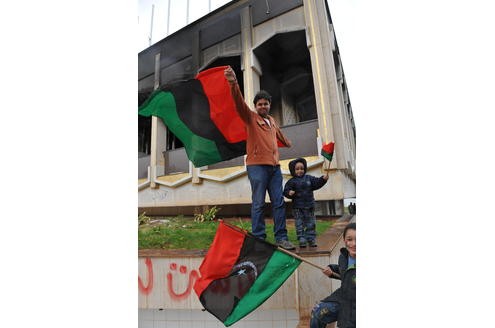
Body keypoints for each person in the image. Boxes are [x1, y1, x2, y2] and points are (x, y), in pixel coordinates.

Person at [224, 66, 295, 250]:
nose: (263, 106)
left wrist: (287, 142)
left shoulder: (272, 121)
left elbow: (278, 134)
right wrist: (233, 83)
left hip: (274, 168)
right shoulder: (250, 118)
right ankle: (258, 239)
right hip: (257, 167)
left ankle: (281, 238)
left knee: (278, 202)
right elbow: (239, 102)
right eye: (260, 104)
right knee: (258, 203)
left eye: (266, 103)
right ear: (256, 106)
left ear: (269, 105)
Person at [310, 222, 356, 328]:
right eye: (349, 239)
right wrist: (331, 270)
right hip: (342, 297)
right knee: (317, 312)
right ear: (344, 240)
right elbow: (344, 272)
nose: (353, 244)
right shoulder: (344, 256)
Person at [283, 157, 329, 247]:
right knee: (299, 224)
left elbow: (317, 182)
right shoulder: (291, 182)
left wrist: (323, 179)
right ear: (293, 170)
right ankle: (301, 238)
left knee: (311, 223)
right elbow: (285, 191)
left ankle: (311, 238)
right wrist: (289, 192)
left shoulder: (309, 178)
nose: (300, 171)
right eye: (297, 169)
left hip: (309, 206)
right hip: (298, 208)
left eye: (302, 168)